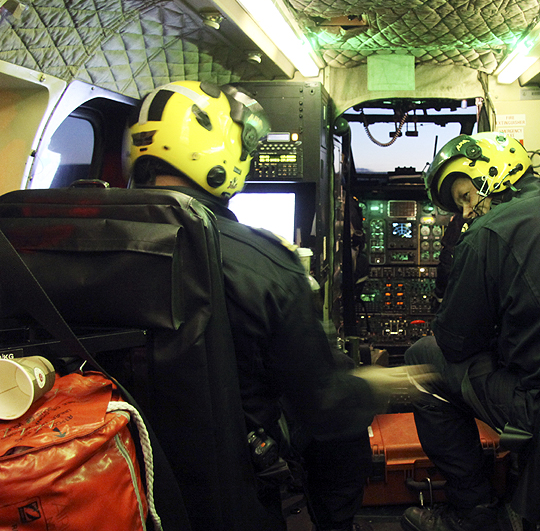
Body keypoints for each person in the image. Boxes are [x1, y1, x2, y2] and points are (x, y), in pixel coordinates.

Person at [125, 81, 430, 531]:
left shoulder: (71, 242)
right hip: (233, 475)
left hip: (125, 467)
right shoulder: (262, 263)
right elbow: (324, 403)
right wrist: (376, 386)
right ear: (223, 151)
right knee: (343, 435)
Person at [401, 132, 540, 531]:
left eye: (465, 196)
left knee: (420, 359)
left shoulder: (487, 233)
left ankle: (472, 510)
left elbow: (455, 343)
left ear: (493, 171)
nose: (466, 212)